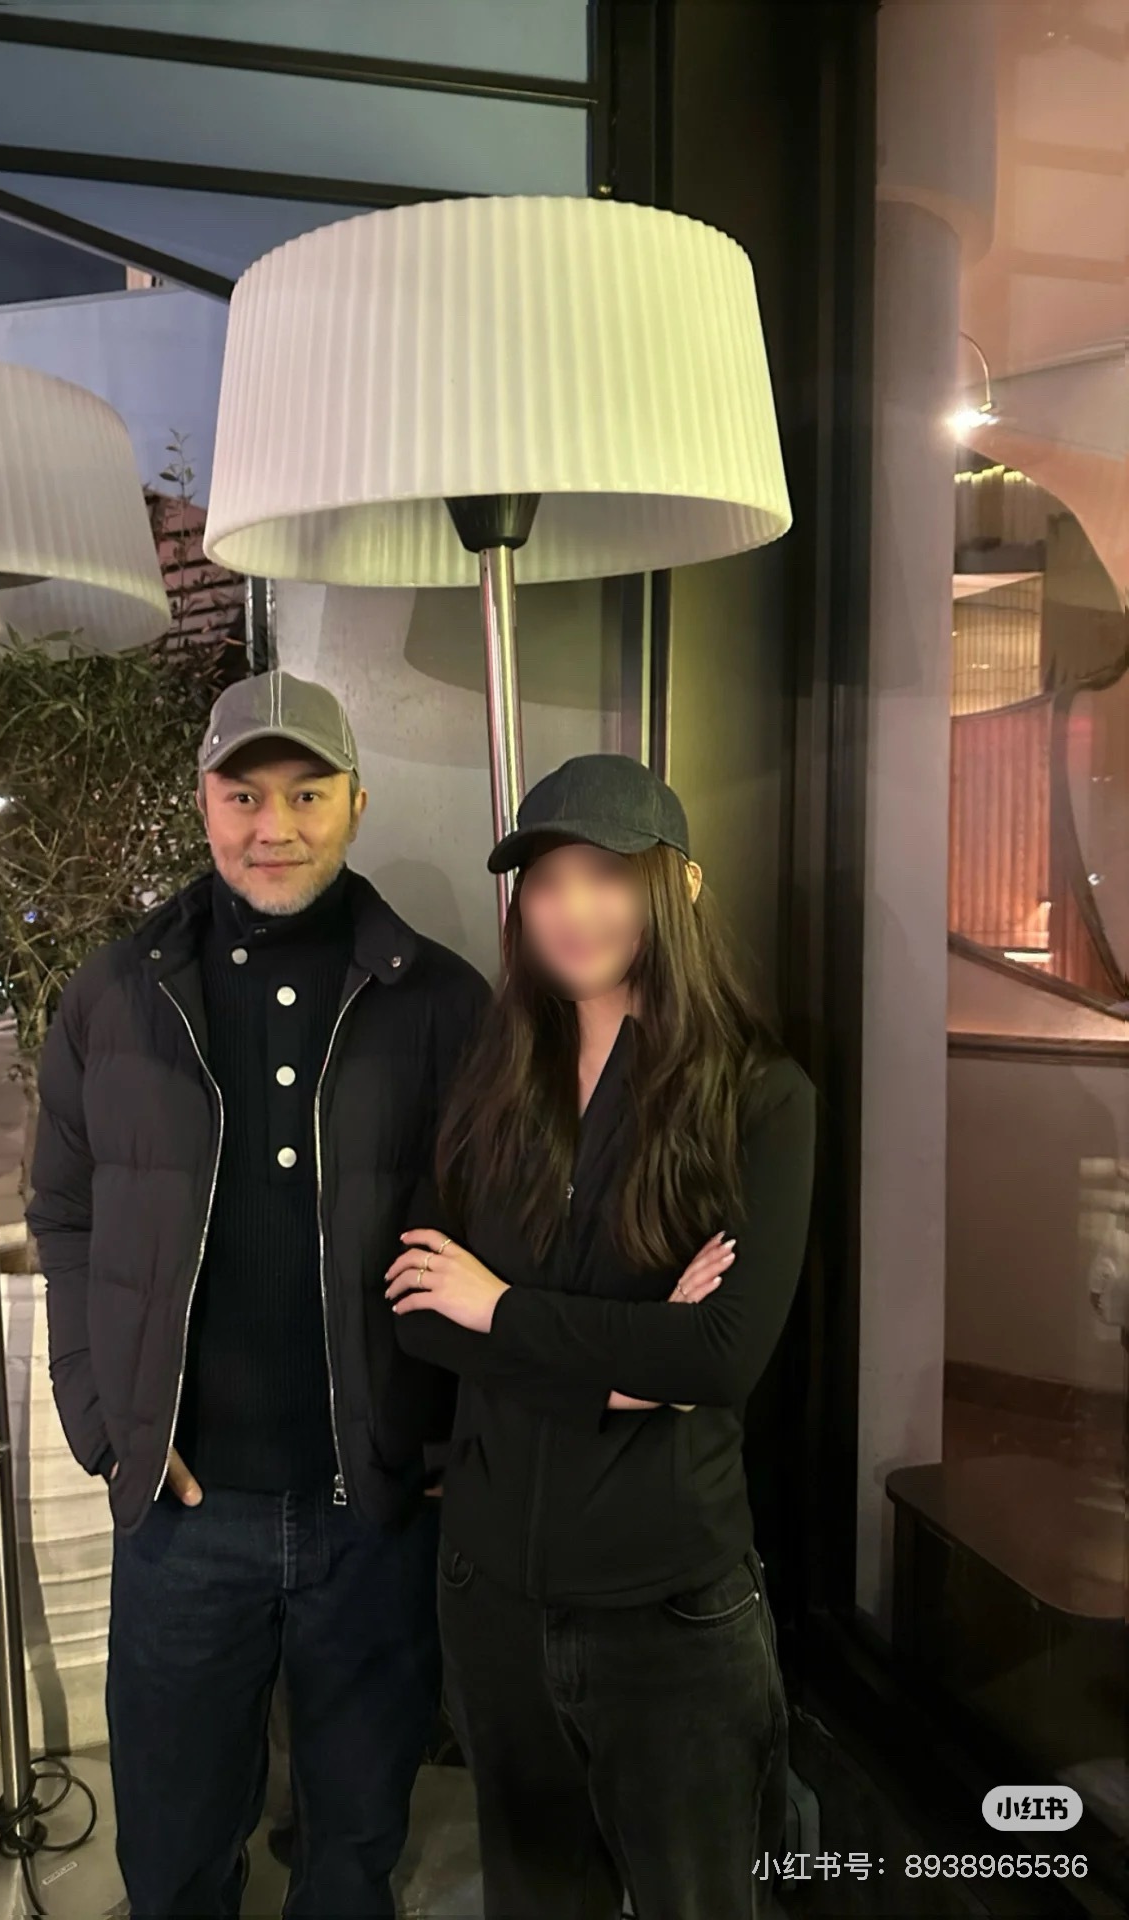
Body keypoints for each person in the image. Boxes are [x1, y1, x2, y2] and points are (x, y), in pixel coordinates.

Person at [28, 670, 490, 1920]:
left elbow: (495, 1234)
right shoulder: (115, 993)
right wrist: (103, 1417)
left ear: (356, 804)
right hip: (183, 1511)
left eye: (306, 794)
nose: (272, 826)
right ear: (203, 802)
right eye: (244, 794)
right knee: (174, 1849)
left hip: (371, 1506)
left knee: (355, 1844)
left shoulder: (442, 1002)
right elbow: (64, 1215)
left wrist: (443, 1438)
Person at [385, 754, 816, 1920]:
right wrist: (629, 1361)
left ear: (677, 887)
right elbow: (419, 1312)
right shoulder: (492, 1079)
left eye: (607, 875)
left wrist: (503, 1309)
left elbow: (719, 1359)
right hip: (493, 1599)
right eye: (546, 880)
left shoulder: (758, 1097)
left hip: (670, 1614)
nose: (573, 908)